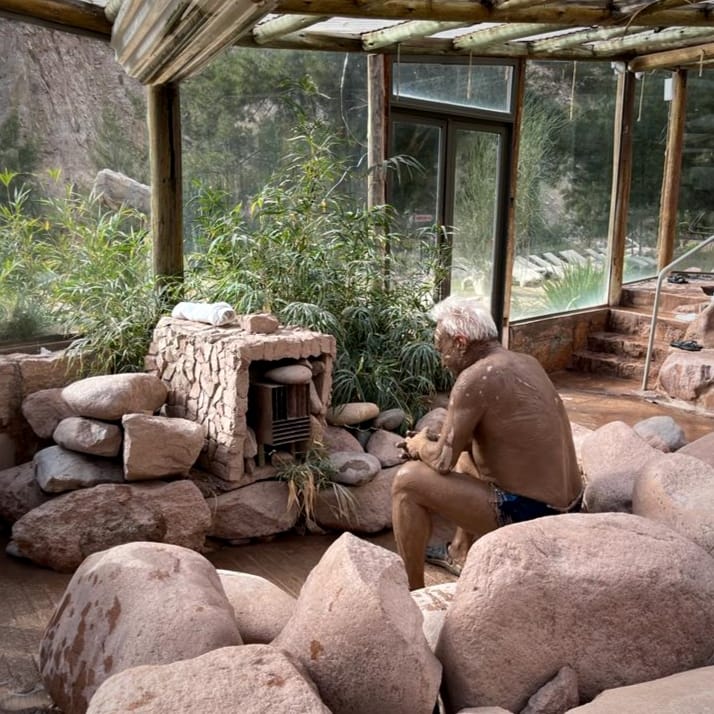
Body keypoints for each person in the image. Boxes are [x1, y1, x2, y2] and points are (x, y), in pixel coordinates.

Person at [392, 296, 583, 590]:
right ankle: (460, 551)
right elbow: (479, 444)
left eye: (441, 347)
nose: (440, 358)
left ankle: (413, 592)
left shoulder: (474, 378)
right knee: (466, 458)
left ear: (460, 342)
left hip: (534, 514)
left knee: (407, 482)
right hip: (571, 505)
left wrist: (418, 445)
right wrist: (441, 442)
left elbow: (442, 461)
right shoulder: (527, 361)